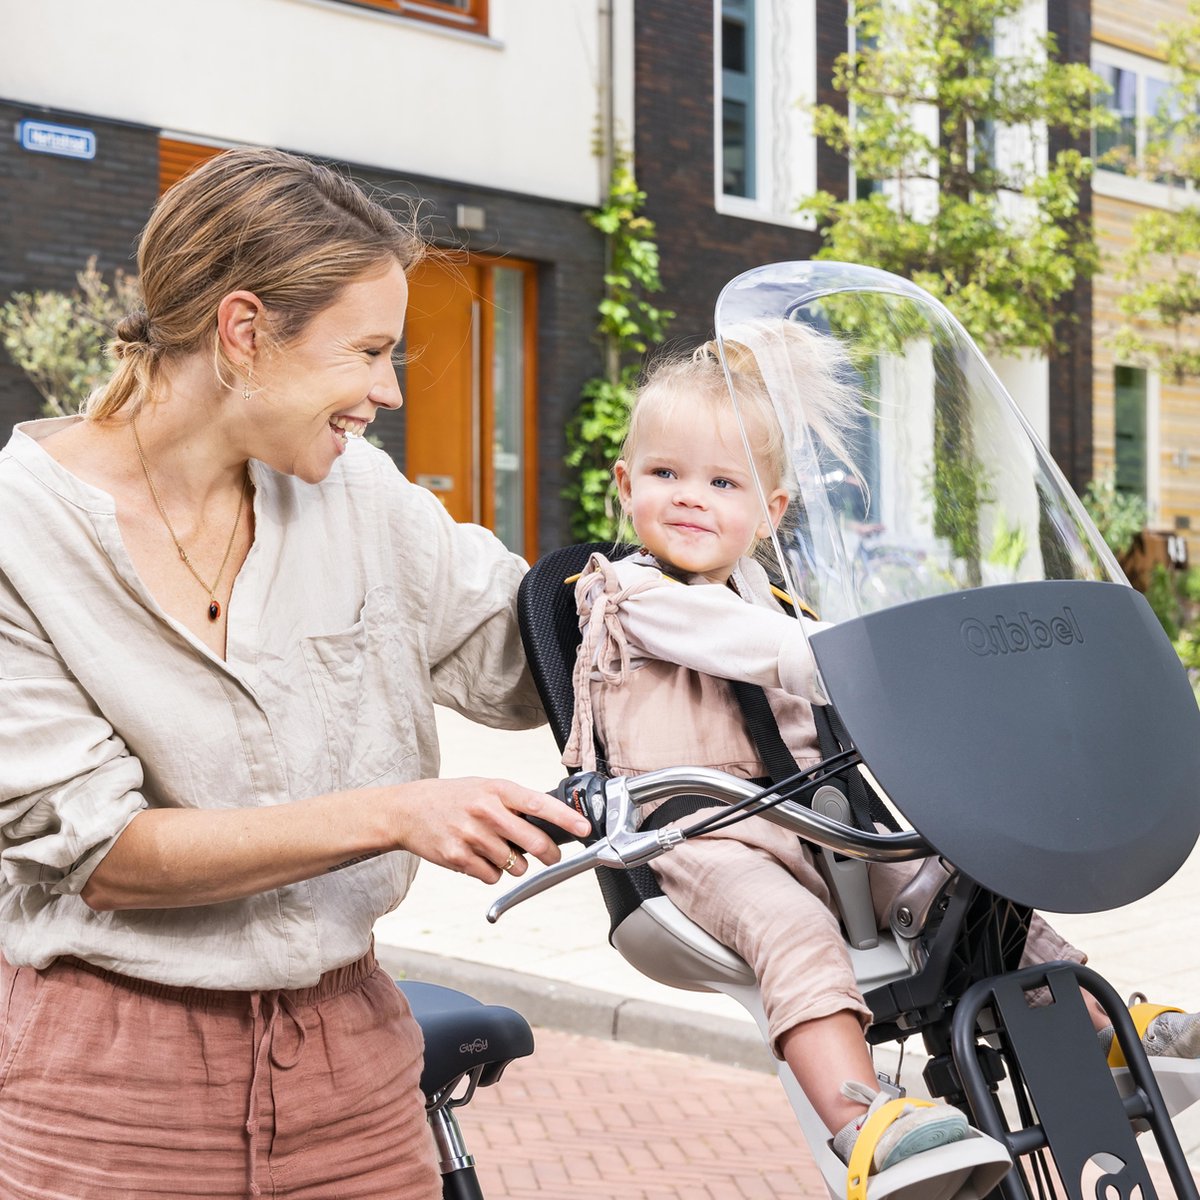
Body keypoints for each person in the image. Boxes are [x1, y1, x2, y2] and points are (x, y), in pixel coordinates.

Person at [0, 146, 590, 1200]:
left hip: (352, 1071)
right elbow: (106, 855)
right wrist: (395, 812)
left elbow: (521, 651)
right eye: (368, 351)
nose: (388, 391)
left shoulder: (359, 495)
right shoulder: (21, 534)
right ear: (244, 331)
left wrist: (666, 576)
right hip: (106, 1094)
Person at [563, 338, 1200, 1181]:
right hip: (700, 835)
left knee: (967, 886)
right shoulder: (633, 595)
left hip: (818, 824)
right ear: (625, 484)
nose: (689, 497)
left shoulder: (769, 596)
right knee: (790, 927)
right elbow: (776, 655)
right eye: (664, 474)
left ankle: (1101, 1028)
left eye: (722, 483)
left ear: (771, 510)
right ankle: (865, 1122)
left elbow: (818, 665)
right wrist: (894, 663)